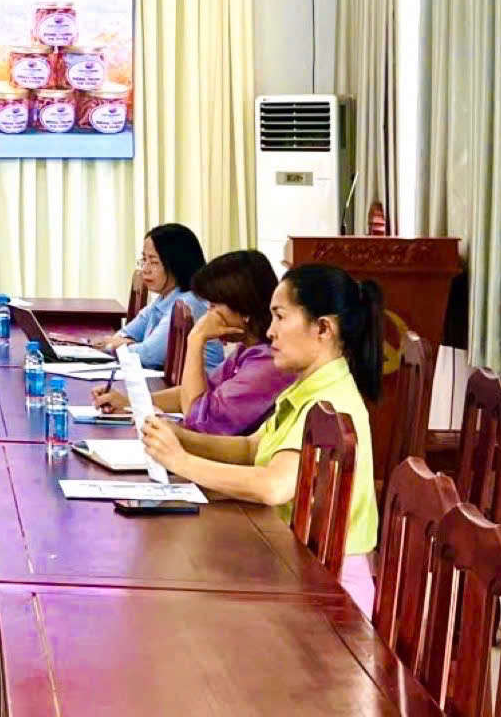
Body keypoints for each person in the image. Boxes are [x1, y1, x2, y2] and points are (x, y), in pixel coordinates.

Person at [141, 263, 382, 613]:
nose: (270, 331)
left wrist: (182, 461)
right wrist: (180, 438)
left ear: (323, 328)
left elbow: (273, 486)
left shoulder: (330, 402)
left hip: (330, 596)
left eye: (280, 317)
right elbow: (251, 448)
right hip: (295, 566)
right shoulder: (308, 386)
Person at [92, 249, 293, 435]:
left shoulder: (267, 363)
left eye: (214, 306)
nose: (208, 314)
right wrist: (130, 402)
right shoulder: (246, 350)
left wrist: (196, 339)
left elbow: (198, 420)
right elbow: (198, 392)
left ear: (244, 309)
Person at [90, 223, 222, 371]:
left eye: (153, 262)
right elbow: (124, 334)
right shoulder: (164, 299)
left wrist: (119, 345)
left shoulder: (189, 302)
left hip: (203, 385)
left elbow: (148, 356)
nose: (145, 269)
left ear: (177, 264)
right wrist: (124, 344)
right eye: (144, 259)